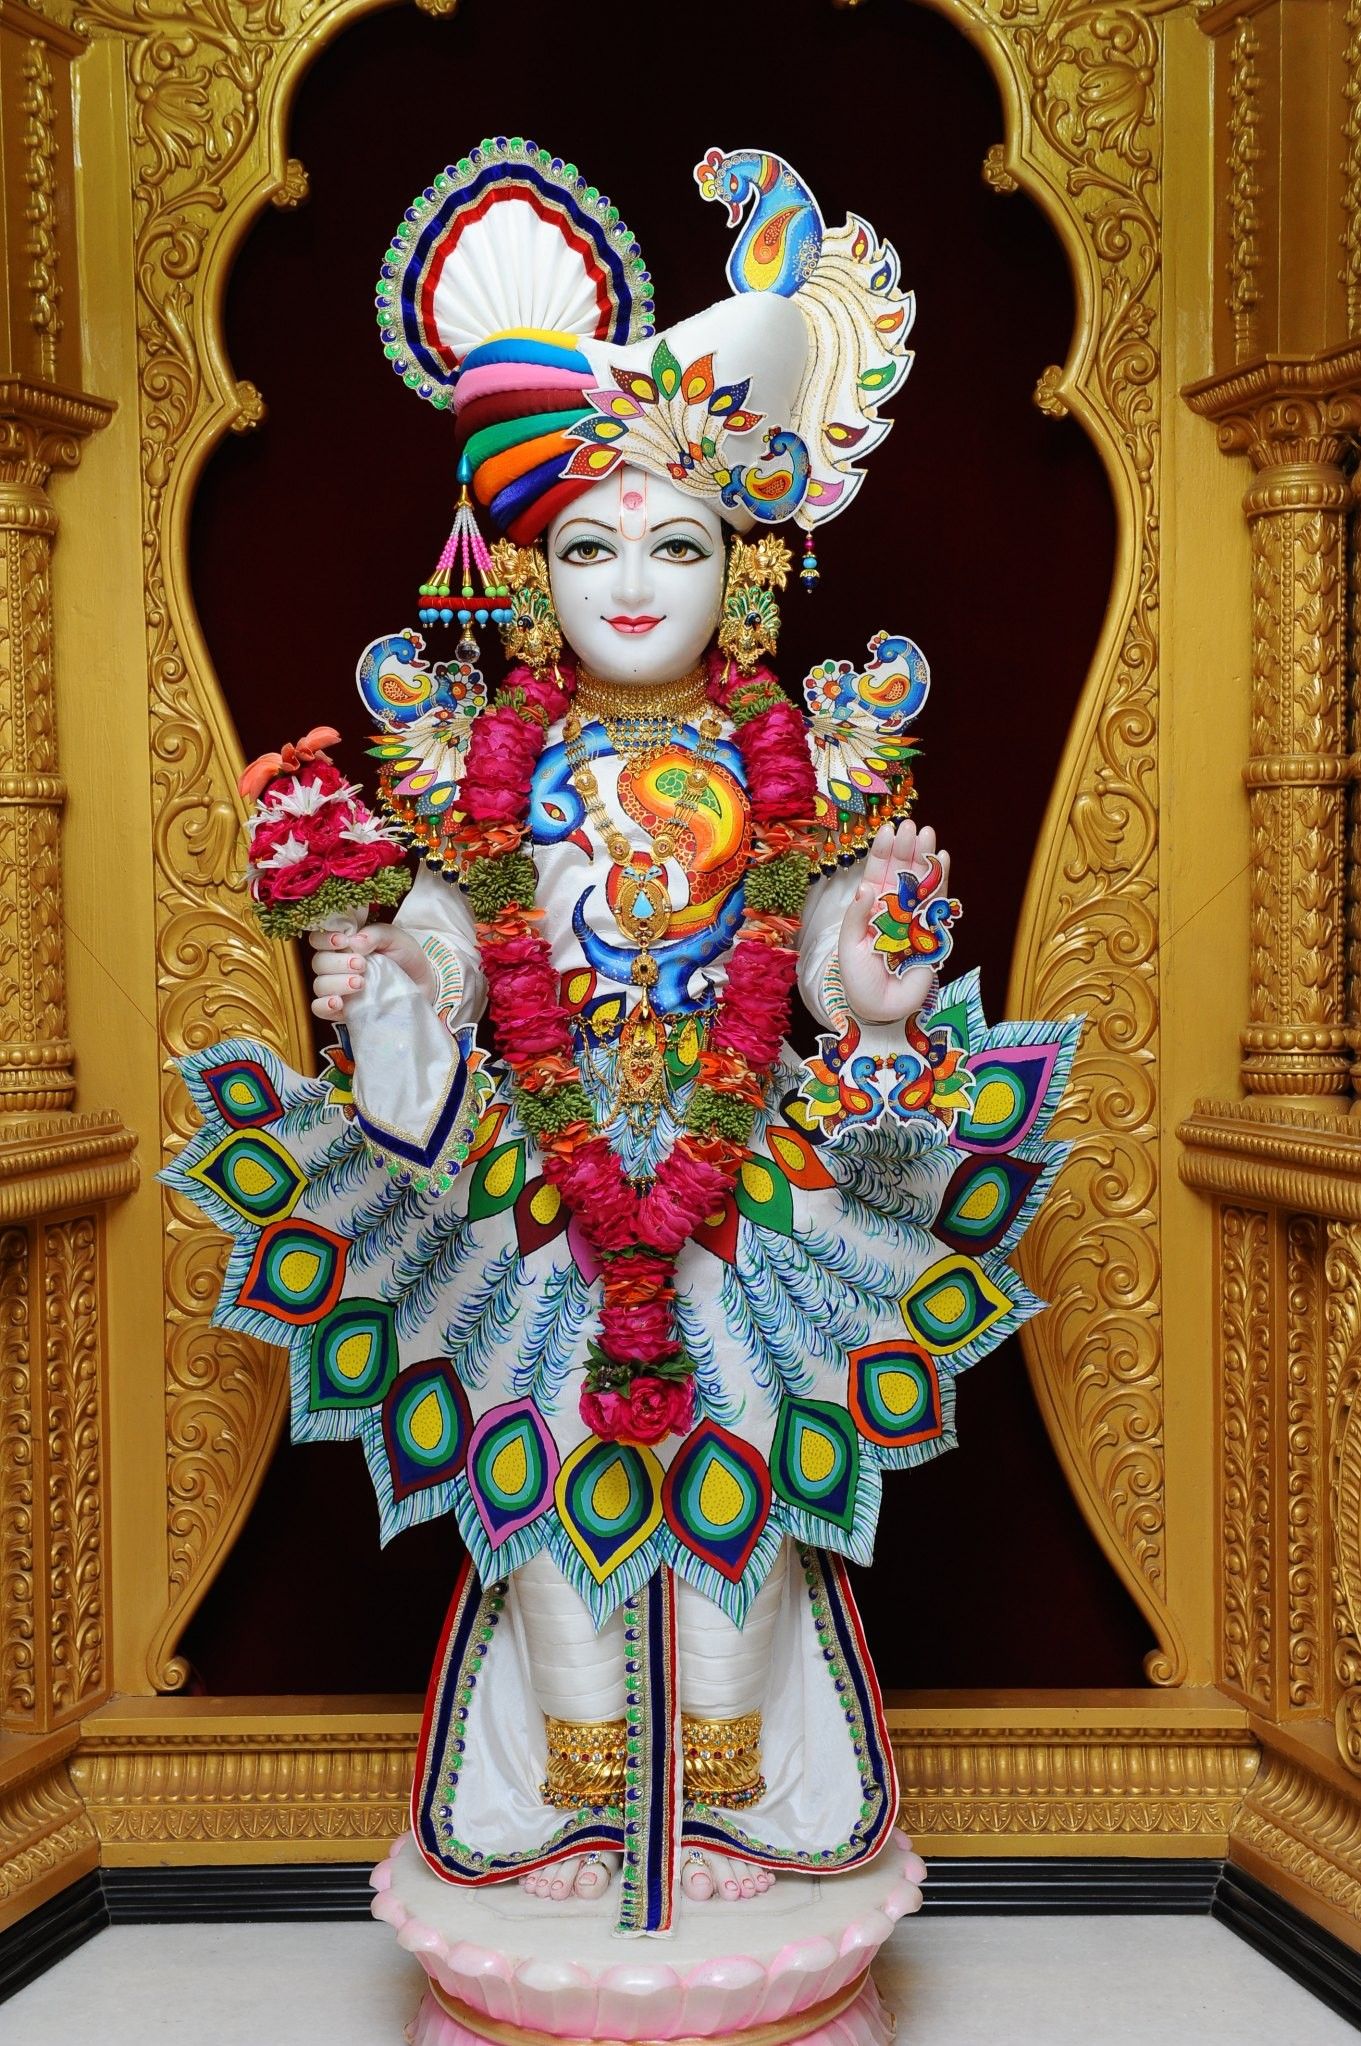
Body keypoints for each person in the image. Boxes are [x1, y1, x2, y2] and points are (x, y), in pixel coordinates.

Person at [171, 139, 1076, 1938]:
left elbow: (813, 946)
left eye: (677, 540)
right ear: (527, 580)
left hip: (749, 1200)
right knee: (560, 1555)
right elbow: (449, 946)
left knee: (744, 1527)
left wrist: (873, 985)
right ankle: (567, 1839)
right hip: (533, 1216)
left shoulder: (786, 762)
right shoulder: (472, 776)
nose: (633, 580)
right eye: (589, 544)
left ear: (740, 569)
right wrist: (389, 1000)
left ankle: (739, 1837)